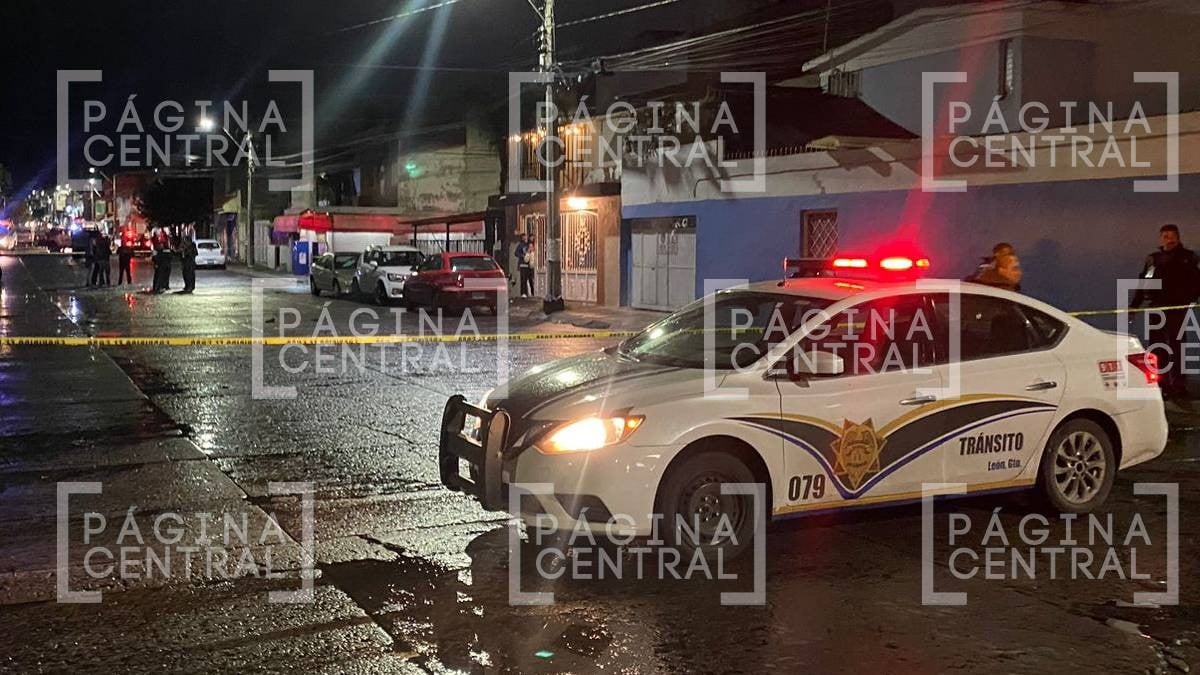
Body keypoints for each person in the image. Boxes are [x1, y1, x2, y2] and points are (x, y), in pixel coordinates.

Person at [1131, 224, 1200, 400]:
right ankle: (1161, 385)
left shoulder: (1188, 258)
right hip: (1157, 308)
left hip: (1178, 309)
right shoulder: (1154, 259)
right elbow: (1144, 283)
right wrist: (1134, 307)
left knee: (1177, 347)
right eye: (1165, 236)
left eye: (1171, 236)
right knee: (1157, 348)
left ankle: (1179, 385)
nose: (1168, 239)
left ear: (1178, 237)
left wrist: (1192, 297)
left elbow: (1197, 281)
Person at [516, 233, 534, 298]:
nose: (525, 238)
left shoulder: (529, 245)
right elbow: (516, 253)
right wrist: (522, 256)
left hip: (529, 265)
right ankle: (523, 293)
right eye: (524, 237)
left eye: (526, 236)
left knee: (530, 279)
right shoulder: (520, 245)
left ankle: (532, 292)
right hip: (523, 265)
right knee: (523, 279)